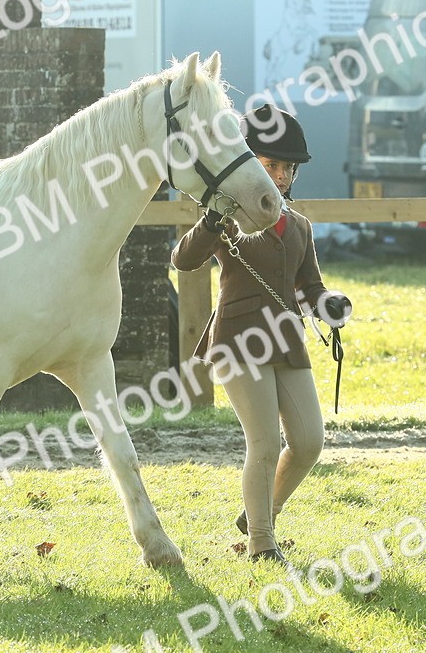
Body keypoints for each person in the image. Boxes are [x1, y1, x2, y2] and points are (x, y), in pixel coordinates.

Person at [171, 104, 351, 564]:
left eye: (286, 168)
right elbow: (184, 260)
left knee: (309, 441)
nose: (281, 175)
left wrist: (328, 304)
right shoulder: (229, 218)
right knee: (265, 444)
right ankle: (261, 544)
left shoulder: (301, 227)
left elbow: (310, 286)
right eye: (270, 165)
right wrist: (211, 219)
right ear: (251, 165)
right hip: (239, 339)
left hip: (287, 340)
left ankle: (259, 513)